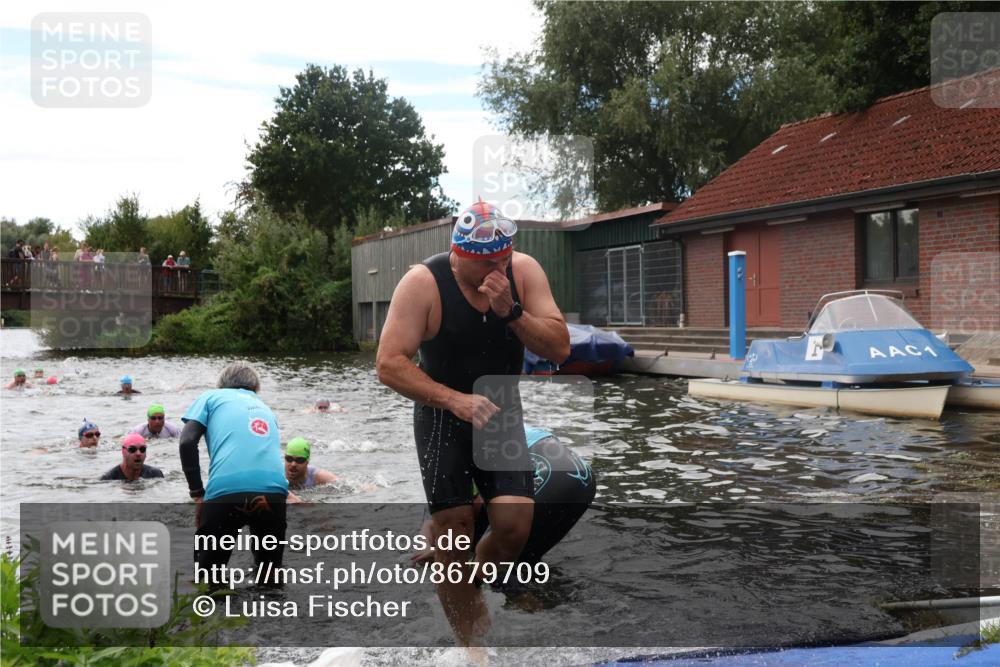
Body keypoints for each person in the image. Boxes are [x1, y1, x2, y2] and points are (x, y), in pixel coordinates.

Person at [376, 198, 570, 646]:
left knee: (514, 526)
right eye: (482, 264)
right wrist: (455, 400)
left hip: (500, 412)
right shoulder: (422, 282)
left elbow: (559, 348)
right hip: (442, 414)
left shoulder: (523, 272)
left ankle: (462, 593)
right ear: (457, 253)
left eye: (500, 260)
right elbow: (388, 364)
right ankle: (471, 646)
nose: (492, 272)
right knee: (455, 531)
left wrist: (513, 312)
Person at [414, 427, 596, 568]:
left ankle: (526, 609)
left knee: (496, 562)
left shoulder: (452, 457)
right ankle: (542, 606)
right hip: (581, 474)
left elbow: (473, 507)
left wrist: (444, 554)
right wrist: (428, 549)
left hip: (549, 472)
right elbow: (429, 525)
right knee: (522, 561)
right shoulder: (454, 441)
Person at [179, 361, 288, 585]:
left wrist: (197, 494)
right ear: (256, 388)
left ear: (222, 385)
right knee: (270, 581)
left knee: (208, 580)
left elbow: (187, 442)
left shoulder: (211, 397)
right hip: (274, 493)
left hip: (226, 492)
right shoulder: (265, 407)